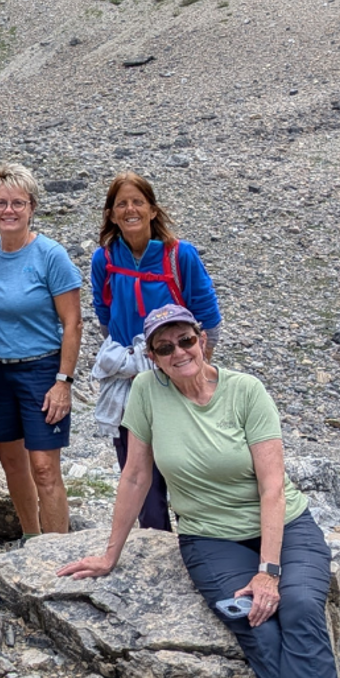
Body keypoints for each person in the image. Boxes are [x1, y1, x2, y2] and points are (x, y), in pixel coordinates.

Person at [58, 304, 340, 678]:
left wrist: (268, 571)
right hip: (209, 537)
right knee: (259, 628)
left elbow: (272, 485)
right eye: (164, 347)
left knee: (300, 608)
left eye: (186, 340)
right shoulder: (146, 393)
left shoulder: (246, 390)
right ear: (152, 357)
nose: (178, 352)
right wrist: (110, 554)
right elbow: (136, 475)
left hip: (285, 527)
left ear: (202, 339)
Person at [88, 172, 221, 530]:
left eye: (138, 202)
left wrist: (197, 374)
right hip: (128, 381)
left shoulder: (180, 256)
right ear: (111, 214)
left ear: (152, 210)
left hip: (175, 374)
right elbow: (104, 317)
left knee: (186, 469)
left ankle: (201, 539)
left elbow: (208, 320)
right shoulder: (105, 260)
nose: (130, 209)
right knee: (138, 474)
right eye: (121, 204)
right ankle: (155, 542)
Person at [0, 161, 81, 538]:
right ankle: (32, 539)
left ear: (32, 207)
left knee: (44, 467)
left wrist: (63, 382)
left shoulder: (50, 256)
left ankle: (56, 550)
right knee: (11, 462)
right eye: (1, 203)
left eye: (18, 203)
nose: (9, 210)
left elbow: (73, 322)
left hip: (42, 369)